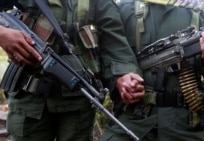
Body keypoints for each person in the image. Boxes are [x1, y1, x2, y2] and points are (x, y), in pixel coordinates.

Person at [0, 0, 144, 140]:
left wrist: (124, 73)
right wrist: (2, 34)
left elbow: (113, 38)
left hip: (78, 100)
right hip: (29, 98)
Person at [100, 0, 204, 141]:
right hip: (134, 121)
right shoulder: (124, 8)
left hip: (187, 123)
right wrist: (119, 78)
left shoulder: (200, 7)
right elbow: (109, 54)